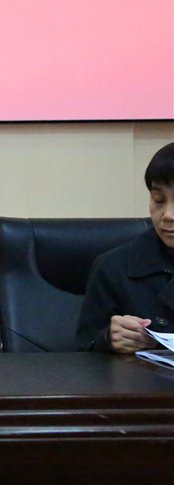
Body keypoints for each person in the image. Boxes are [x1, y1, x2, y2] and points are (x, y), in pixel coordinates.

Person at [76, 141, 174, 353]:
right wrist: (109, 339)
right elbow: (83, 354)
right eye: (158, 200)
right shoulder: (113, 267)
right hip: (143, 375)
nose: (168, 215)